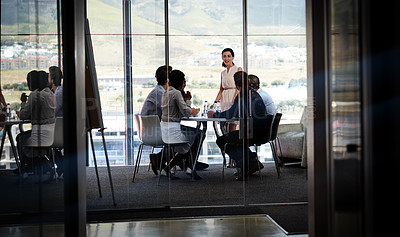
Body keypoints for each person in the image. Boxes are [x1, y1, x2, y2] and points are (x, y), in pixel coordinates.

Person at [208, 71, 269, 181]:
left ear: (236, 84)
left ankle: (249, 163)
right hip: (262, 131)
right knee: (233, 138)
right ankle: (252, 161)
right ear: (248, 81)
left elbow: (232, 113)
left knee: (222, 141)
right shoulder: (253, 93)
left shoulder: (243, 94)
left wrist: (215, 114)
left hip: (252, 133)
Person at [160, 69, 201, 179]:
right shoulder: (176, 93)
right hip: (173, 129)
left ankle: (169, 168)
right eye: (184, 81)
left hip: (164, 128)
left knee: (195, 137)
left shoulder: (166, 93)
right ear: (182, 82)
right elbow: (186, 112)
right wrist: (188, 100)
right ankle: (190, 167)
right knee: (199, 135)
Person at [17, 70, 56, 179]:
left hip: (40, 135)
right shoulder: (50, 93)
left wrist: (23, 102)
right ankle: (44, 165)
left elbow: (24, 115)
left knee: (20, 139)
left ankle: (23, 168)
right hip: (52, 135)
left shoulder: (35, 95)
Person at [214, 48, 242, 132]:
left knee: (233, 124)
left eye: (229, 56)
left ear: (233, 57)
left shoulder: (238, 69)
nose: (226, 58)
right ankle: (227, 144)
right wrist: (215, 102)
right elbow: (221, 89)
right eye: (224, 56)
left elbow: (239, 87)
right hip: (224, 98)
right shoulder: (223, 73)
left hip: (233, 97)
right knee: (225, 124)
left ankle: (233, 143)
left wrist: (234, 99)